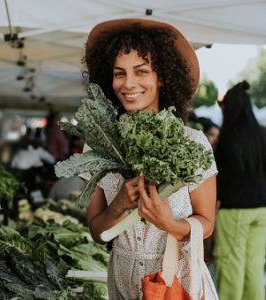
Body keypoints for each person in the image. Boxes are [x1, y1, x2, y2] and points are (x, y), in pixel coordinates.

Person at [79, 19, 218, 299]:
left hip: (177, 282)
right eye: (119, 73)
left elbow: (206, 223)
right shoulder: (96, 146)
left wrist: (171, 225)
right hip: (122, 281)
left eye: (141, 71)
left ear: (162, 76)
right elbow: (97, 231)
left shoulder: (192, 142)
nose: (128, 84)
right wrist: (118, 204)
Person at [214, 81, 266, 300]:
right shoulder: (262, 134)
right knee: (254, 265)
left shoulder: (229, 136)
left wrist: (218, 196)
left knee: (230, 263)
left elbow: (233, 170)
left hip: (235, 209)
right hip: (262, 209)